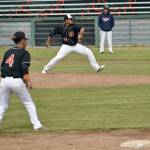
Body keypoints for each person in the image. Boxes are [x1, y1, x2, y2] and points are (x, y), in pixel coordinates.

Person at [0, 31, 46, 131]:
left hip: (4, 81)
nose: (26, 42)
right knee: (29, 103)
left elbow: (2, 68)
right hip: (16, 81)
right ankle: (37, 125)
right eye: (25, 40)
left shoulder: (8, 51)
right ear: (22, 40)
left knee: (2, 106)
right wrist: (28, 81)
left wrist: (4, 81)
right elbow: (24, 67)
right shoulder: (24, 53)